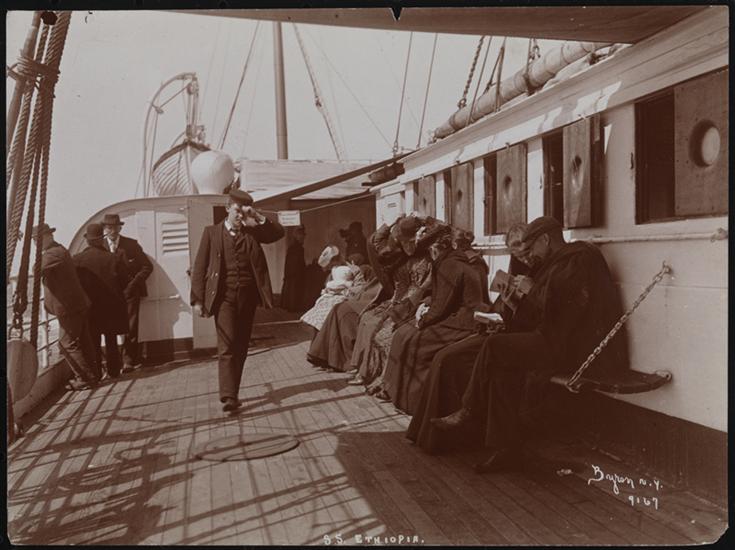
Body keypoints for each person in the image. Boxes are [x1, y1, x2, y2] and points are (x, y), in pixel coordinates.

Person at [430, 216, 627, 473]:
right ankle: (507, 449)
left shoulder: (578, 259)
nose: (531, 253)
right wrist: (515, 302)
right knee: (500, 365)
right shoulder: (555, 263)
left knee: (494, 347)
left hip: (573, 347)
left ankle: (469, 410)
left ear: (545, 240)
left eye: (532, 246)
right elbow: (541, 313)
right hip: (553, 339)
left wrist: (533, 290)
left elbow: (569, 310)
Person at [405, 222, 530, 454]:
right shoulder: (475, 263)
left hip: (518, 337)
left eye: (524, 253)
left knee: (447, 358)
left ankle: (460, 421)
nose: (524, 259)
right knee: (445, 357)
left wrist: (526, 295)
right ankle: (439, 427)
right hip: (500, 330)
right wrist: (507, 303)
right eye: (517, 255)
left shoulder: (453, 265)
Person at [190, 189, 285, 412]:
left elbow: (277, 233)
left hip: (248, 297)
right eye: (236, 211)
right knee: (227, 344)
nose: (240, 216)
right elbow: (200, 267)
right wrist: (197, 299)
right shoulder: (212, 233)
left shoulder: (252, 232)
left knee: (241, 345)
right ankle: (229, 396)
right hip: (224, 298)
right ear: (227, 209)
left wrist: (257, 216)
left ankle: (233, 391)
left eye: (243, 212)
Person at [381, 230, 487, 415]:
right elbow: (446, 300)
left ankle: (414, 404)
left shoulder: (449, 266)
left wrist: (423, 321)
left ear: (434, 249)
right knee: (409, 336)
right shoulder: (453, 262)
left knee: (417, 344)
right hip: (459, 318)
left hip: (464, 323)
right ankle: (400, 394)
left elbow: (441, 307)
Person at [32, 223, 99, 390]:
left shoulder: (53, 253)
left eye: (37, 240)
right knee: (84, 341)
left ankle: (85, 378)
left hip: (69, 307)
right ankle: (94, 374)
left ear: (48, 237)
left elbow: (36, 269)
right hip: (76, 304)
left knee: (66, 344)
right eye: (34, 240)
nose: (35, 244)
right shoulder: (59, 250)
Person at [73, 223, 130, 380]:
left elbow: (75, 285)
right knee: (111, 340)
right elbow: (125, 281)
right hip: (111, 307)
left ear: (87, 240)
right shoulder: (113, 258)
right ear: (101, 239)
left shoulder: (77, 260)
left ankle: (97, 373)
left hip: (90, 308)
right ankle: (114, 371)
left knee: (93, 341)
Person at [102, 213, 153, 373]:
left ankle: (129, 361)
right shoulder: (100, 246)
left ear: (120, 228)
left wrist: (133, 285)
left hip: (130, 292)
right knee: (110, 328)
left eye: (115, 227)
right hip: (109, 295)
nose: (112, 231)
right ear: (105, 229)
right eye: (109, 227)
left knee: (131, 326)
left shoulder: (131, 245)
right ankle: (113, 364)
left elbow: (147, 267)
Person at [300, 265, 355, 332]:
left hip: (326, 301)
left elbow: (325, 292)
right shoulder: (347, 285)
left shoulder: (331, 284)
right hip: (335, 304)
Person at [281, 225, 307, 312]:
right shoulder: (296, 248)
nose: (303, 238)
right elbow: (296, 263)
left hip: (293, 273)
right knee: (294, 289)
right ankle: (293, 306)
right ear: (297, 236)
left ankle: (292, 306)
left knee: (293, 289)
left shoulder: (294, 247)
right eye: (301, 236)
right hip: (295, 273)